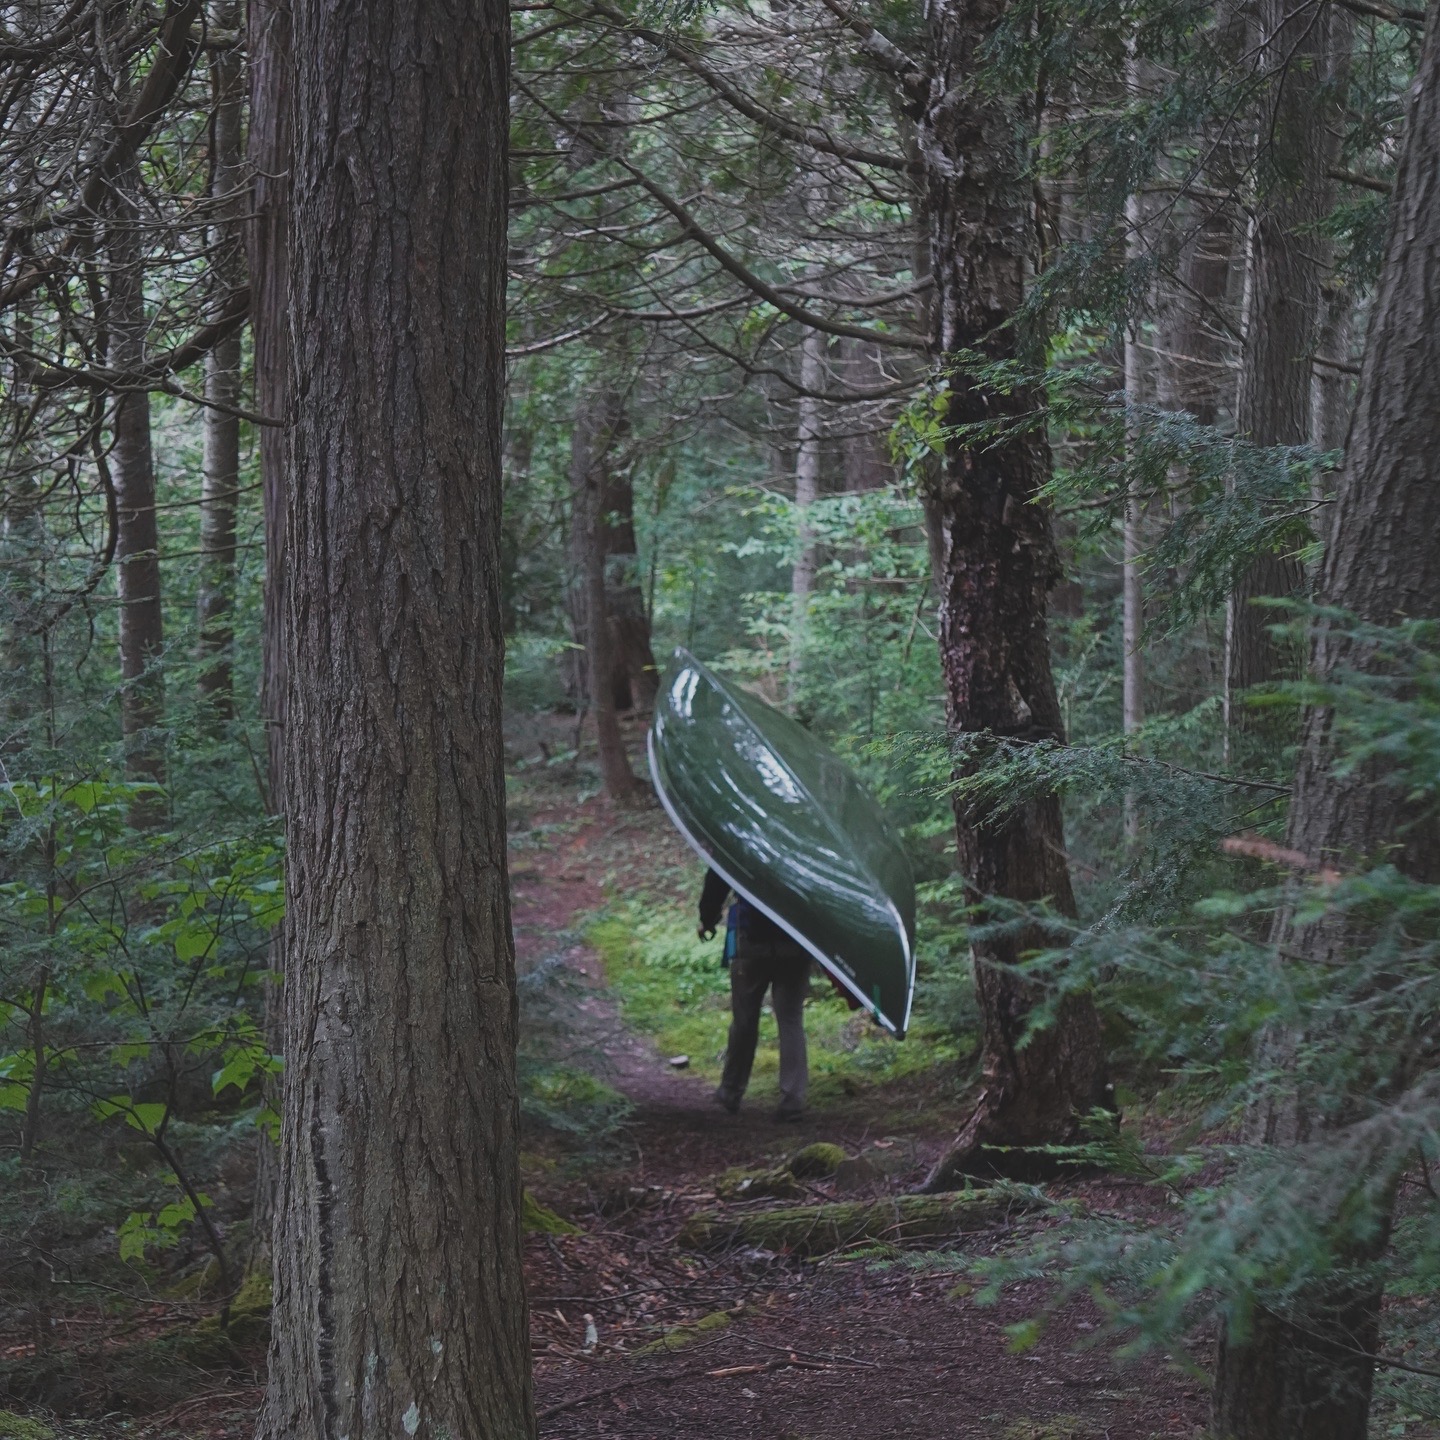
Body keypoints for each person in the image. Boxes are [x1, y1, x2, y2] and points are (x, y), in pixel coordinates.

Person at [698, 868, 809, 1120]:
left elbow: (717, 876)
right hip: (797, 939)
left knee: (745, 1018)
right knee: (791, 1019)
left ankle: (730, 1092)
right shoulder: (804, 836)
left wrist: (708, 917)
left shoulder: (745, 834)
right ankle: (793, 1099)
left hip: (751, 939)